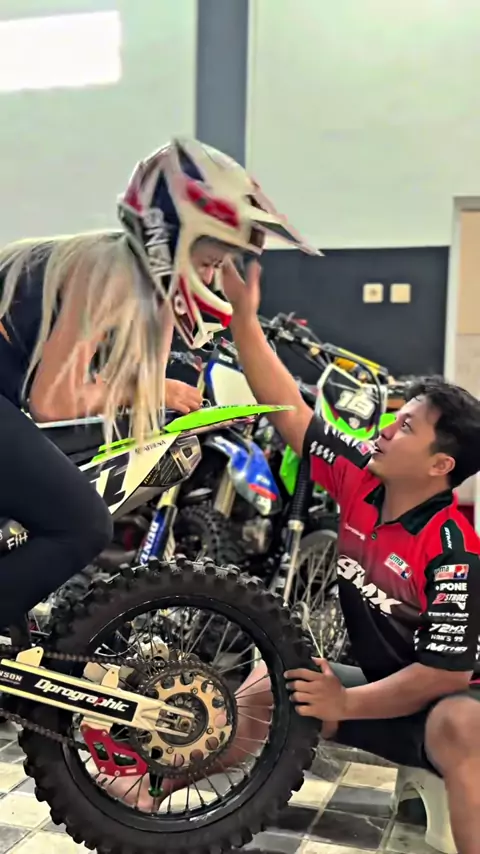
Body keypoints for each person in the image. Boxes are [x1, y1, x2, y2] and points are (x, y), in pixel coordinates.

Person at [0, 138, 315, 634]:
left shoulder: (147, 286)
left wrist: (158, 397)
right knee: (81, 526)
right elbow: (53, 401)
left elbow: (131, 387)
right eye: (208, 262)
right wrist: (154, 393)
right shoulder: (104, 271)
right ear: (168, 240)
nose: (213, 278)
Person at [221, 260, 480, 854]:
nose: (386, 428)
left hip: (453, 713)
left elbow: (445, 675)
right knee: (273, 678)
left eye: (406, 426)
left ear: (440, 465)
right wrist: (244, 318)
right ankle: (154, 796)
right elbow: (288, 408)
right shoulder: (362, 476)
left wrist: (346, 701)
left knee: (458, 723)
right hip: (387, 699)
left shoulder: (454, 551)